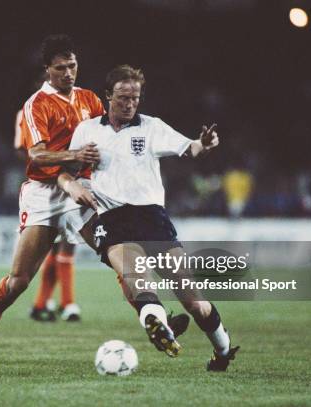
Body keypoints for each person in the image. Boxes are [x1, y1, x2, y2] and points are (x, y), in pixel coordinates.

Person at [58, 65, 239, 371]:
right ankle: (157, 323)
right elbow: (64, 172)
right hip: (113, 220)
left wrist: (204, 145)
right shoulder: (87, 131)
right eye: (123, 97)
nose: (129, 103)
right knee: (137, 280)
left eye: (135, 98)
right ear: (108, 96)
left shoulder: (152, 127)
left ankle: (221, 349)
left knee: (193, 301)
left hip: (153, 219)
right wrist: (71, 184)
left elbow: (189, 149)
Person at [0, 34, 106, 353]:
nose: (69, 72)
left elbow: (106, 142)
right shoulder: (34, 105)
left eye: (73, 65)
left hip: (78, 190)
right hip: (43, 193)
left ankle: (155, 317)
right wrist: (74, 158)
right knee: (19, 280)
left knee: (112, 249)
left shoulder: (91, 101)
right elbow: (35, 155)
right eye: (61, 68)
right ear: (47, 70)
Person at [14, 73, 82, 322]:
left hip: (47, 180)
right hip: (50, 183)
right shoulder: (34, 110)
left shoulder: (24, 113)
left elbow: (19, 148)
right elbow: (29, 151)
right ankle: (66, 304)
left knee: (54, 248)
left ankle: (44, 303)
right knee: (64, 246)